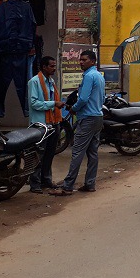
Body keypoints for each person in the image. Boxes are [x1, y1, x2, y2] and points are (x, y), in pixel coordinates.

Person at [59, 49, 106, 193]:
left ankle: (67, 186)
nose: (81, 62)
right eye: (80, 60)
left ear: (92, 61)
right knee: (93, 153)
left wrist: (74, 108)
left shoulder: (89, 76)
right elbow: (102, 98)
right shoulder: (99, 75)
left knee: (77, 152)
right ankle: (90, 183)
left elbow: (83, 99)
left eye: (84, 60)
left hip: (87, 118)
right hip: (98, 116)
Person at [0, 0, 37, 122]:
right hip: (21, 48)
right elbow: (33, 25)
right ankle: (26, 110)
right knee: (24, 83)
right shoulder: (27, 8)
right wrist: (30, 43)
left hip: (5, 49)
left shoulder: (2, 8)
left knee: (1, 83)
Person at [26, 57, 62, 194]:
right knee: (38, 154)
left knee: (49, 153)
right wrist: (53, 104)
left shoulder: (51, 82)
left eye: (54, 65)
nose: (54, 68)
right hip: (40, 124)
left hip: (53, 122)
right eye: (52, 66)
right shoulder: (34, 82)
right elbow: (34, 103)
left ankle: (46, 179)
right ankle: (34, 183)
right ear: (44, 67)